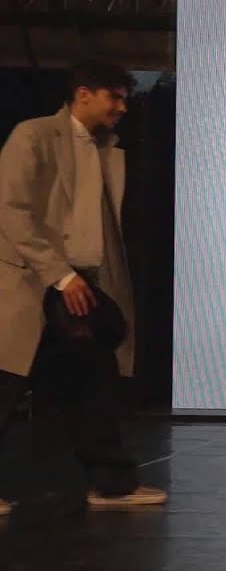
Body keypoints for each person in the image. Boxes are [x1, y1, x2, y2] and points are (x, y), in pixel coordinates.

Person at [0, 60, 167, 510]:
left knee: (92, 384)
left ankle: (112, 484)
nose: (122, 107)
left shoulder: (105, 148)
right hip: (30, 283)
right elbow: (12, 210)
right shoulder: (34, 136)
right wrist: (60, 274)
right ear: (83, 94)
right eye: (115, 97)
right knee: (6, 383)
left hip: (80, 286)